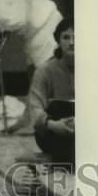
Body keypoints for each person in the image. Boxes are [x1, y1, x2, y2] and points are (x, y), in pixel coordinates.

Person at [26, 16, 74, 164]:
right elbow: (34, 107)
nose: (72, 43)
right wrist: (53, 124)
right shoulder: (45, 70)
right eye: (66, 37)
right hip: (53, 132)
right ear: (58, 41)